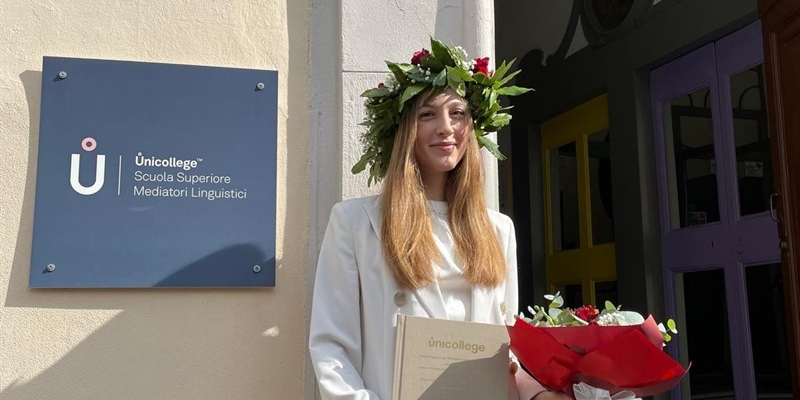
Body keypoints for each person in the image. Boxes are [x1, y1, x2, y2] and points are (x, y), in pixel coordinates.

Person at [308, 38, 571, 400]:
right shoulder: (355, 223)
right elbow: (331, 348)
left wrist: (539, 395)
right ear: (405, 130)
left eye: (458, 113)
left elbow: (502, 350)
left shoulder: (499, 230)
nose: (446, 127)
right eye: (427, 114)